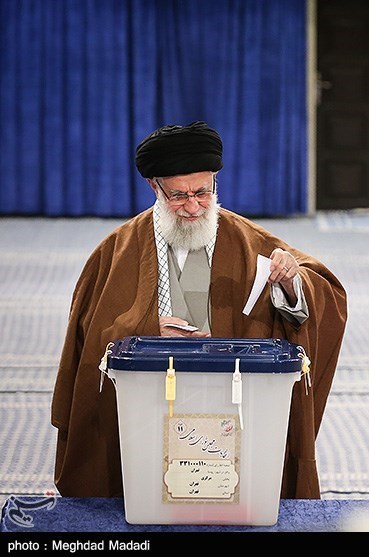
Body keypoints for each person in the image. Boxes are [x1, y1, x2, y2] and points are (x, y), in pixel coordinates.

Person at [51, 121, 348, 499]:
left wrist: (291, 284)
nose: (192, 206)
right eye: (178, 195)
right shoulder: (117, 249)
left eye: (202, 192)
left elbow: (326, 294)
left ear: (215, 183)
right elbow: (90, 340)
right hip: (146, 401)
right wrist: (149, 335)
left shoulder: (246, 239)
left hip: (232, 399)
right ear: (154, 187)